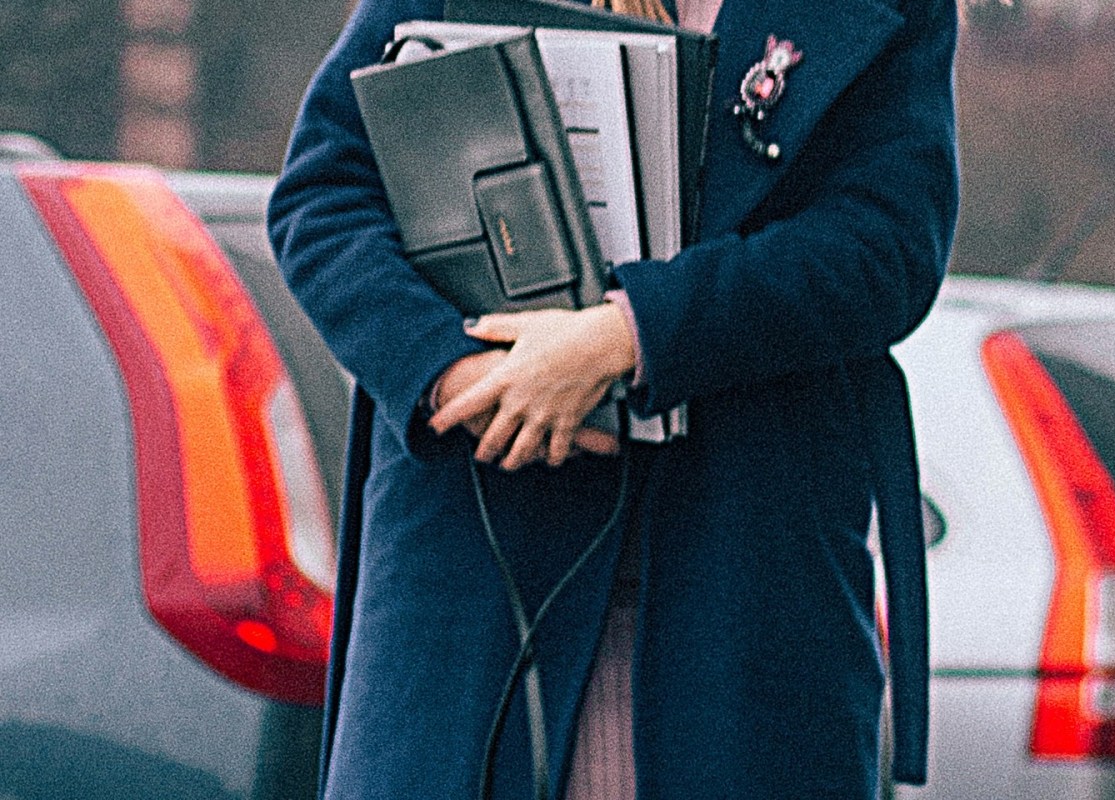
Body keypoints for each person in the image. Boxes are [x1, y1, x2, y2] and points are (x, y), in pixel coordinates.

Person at [267, 0, 959, 797]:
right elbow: (324, 195)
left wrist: (627, 336)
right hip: (473, 583)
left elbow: (888, 246)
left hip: (745, 588)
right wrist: (459, 376)